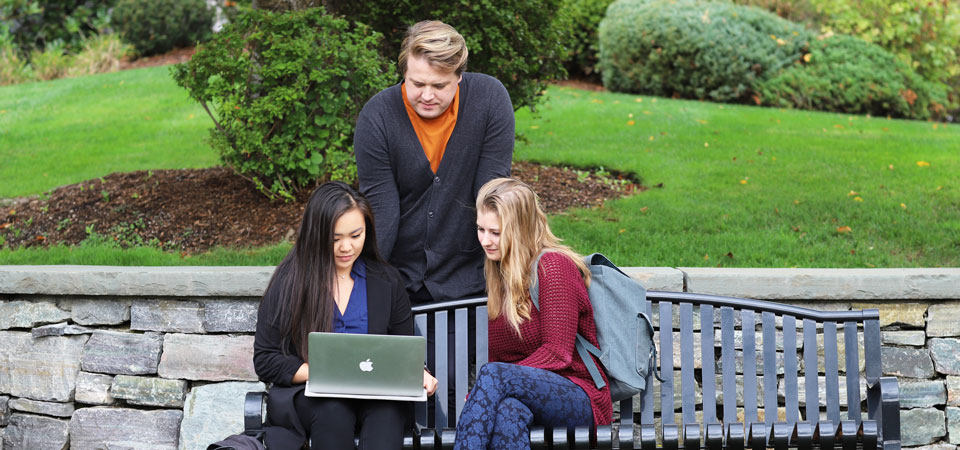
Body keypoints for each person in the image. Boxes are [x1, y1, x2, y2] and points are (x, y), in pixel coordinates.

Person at [253, 181, 438, 450]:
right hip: (313, 397)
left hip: (376, 396)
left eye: (355, 235)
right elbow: (266, 359)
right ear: (316, 234)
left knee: (387, 414)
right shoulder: (290, 281)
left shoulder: (386, 280)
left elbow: (401, 348)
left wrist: (416, 372)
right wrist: (323, 372)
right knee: (333, 411)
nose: (346, 247)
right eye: (335, 238)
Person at [354, 19, 514, 305]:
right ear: (404, 71)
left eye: (440, 85)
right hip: (400, 282)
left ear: (459, 76)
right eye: (417, 83)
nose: (427, 96)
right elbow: (382, 209)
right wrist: (367, 283)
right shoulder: (377, 117)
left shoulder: (489, 100)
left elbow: (492, 197)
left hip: (473, 282)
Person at [454, 178, 612, 450]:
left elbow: (557, 353)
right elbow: (501, 358)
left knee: (493, 376)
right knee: (507, 413)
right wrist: (490, 392)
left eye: (495, 232)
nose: (485, 240)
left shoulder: (554, 267)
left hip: (579, 395)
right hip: (524, 395)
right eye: (481, 229)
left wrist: (490, 386)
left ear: (520, 229)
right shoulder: (499, 274)